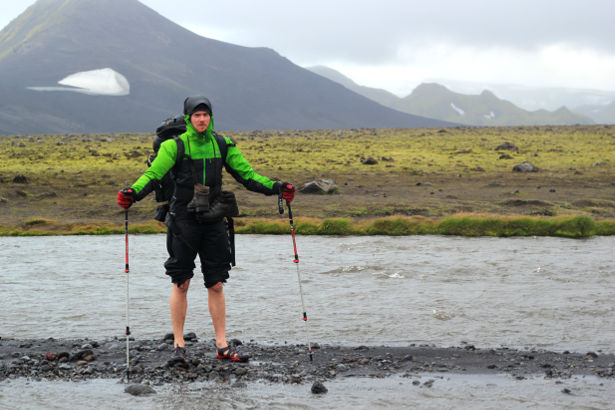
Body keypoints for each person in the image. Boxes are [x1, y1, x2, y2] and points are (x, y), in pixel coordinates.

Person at [117, 96, 295, 363]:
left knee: (216, 283)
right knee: (182, 281)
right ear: (188, 118)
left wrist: (277, 188)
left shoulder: (222, 144)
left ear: (211, 117)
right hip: (182, 221)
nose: (201, 119)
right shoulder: (173, 146)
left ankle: (222, 345)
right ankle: (179, 345)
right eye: (196, 115)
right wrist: (133, 192)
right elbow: (153, 175)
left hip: (213, 220)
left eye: (205, 115)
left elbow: (247, 175)